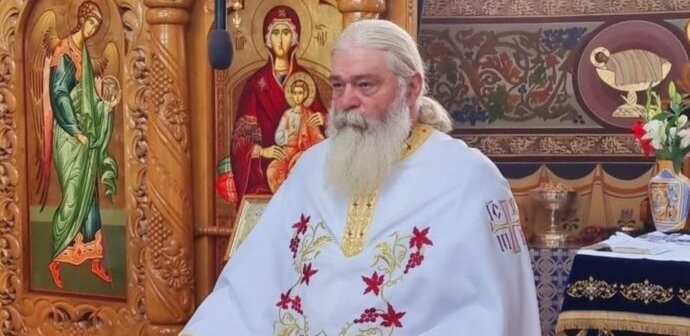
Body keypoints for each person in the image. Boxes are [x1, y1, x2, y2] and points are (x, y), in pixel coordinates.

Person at [183, 20, 541, 335]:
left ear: (411, 88)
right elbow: (249, 287)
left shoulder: (469, 181)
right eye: (338, 86)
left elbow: (492, 314)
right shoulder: (310, 169)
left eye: (365, 85)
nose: (346, 101)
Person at [41, 1, 119, 288]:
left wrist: (105, 107)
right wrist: (75, 131)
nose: (93, 29)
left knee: (90, 197)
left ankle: (95, 260)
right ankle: (55, 260)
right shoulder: (63, 52)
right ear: (82, 19)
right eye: (91, 23)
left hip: (84, 133)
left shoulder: (84, 53)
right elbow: (59, 94)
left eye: (97, 26)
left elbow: (88, 98)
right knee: (73, 195)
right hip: (68, 135)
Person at [230, 5, 327, 199]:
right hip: (267, 168)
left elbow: (324, 122)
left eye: (285, 33)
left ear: (294, 38)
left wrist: (323, 119)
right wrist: (262, 151)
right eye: (275, 33)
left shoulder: (304, 79)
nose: (280, 40)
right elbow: (240, 139)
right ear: (267, 39)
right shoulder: (256, 83)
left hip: (301, 162)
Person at [266, 72, 325, 192]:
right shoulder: (287, 115)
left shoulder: (309, 115)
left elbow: (318, 138)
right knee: (272, 171)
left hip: (301, 154)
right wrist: (289, 132)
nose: (298, 96)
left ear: (305, 94)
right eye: (295, 93)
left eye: (300, 93)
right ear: (292, 94)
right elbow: (278, 137)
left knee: (298, 168)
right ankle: (281, 199)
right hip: (286, 154)